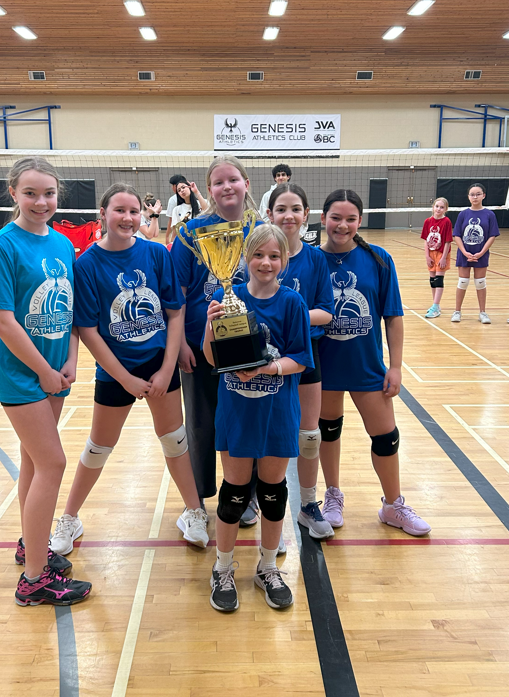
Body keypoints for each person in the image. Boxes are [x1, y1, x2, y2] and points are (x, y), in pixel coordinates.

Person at [50, 183, 208, 555]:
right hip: (115, 370)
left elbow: (174, 313)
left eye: (134, 211)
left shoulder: (155, 253)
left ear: (142, 214)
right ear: (103, 214)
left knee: (174, 440)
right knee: (98, 447)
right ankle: (69, 517)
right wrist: (124, 379)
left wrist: (166, 369)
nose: (127, 218)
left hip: (157, 365)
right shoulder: (86, 264)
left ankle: (194, 511)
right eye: (119, 210)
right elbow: (87, 329)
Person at [0, 157, 92, 606]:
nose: (41, 202)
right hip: (21, 375)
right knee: (53, 463)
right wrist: (44, 371)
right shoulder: (1, 246)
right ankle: (33, 580)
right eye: (31, 193)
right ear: (14, 193)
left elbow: (70, 313)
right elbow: (4, 321)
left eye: (48, 193)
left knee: (33, 462)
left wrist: (70, 360)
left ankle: (32, 544)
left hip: (55, 372)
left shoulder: (63, 244)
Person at [203, 223, 313, 612]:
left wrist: (268, 368)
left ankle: (268, 567)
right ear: (244, 259)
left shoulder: (292, 303)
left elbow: (301, 358)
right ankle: (222, 568)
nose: (266, 262)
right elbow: (212, 358)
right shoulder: (226, 298)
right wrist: (210, 326)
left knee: (272, 492)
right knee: (233, 494)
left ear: (285, 261)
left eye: (274, 256)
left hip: (277, 413)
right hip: (237, 411)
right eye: (259, 255)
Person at [318, 189, 431, 537]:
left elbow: (393, 317)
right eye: (336, 218)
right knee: (327, 432)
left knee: (386, 437)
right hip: (323, 366)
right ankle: (332, 496)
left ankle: (393, 505)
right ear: (323, 219)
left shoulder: (378, 259)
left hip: (366, 366)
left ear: (360, 221)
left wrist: (395, 367)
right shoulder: (311, 260)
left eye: (350, 219)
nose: (342, 225)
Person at [170, 155, 263, 516]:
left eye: (233, 180)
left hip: (247, 343)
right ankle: (198, 499)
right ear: (208, 189)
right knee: (202, 423)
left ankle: (246, 494)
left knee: (245, 419)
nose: (227, 187)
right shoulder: (190, 233)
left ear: (246, 184)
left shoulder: (259, 228)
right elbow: (177, 293)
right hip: (199, 342)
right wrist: (180, 343)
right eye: (219, 182)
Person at [266, 183, 335, 538]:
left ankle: (308, 505)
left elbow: (327, 311)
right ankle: (260, 505)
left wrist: (291, 316)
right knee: (265, 434)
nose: (288, 215)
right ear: (269, 214)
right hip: (265, 358)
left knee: (309, 436)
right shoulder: (260, 254)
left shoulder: (315, 259)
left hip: (306, 355)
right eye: (281, 209)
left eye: (295, 209)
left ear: (307, 214)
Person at [451, 183, 500, 324]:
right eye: (472, 194)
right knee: (463, 282)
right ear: (468, 197)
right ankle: (457, 311)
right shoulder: (463, 214)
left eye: (478, 194)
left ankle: (482, 313)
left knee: (480, 282)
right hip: (464, 253)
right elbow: (457, 235)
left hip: (481, 254)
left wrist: (481, 252)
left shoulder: (489, 214)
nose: (475, 197)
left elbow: (492, 235)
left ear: (483, 195)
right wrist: (465, 252)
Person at [422, 197, 452, 318]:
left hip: (441, 253)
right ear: (433, 207)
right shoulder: (428, 221)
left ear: (446, 209)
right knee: (432, 280)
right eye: (437, 206)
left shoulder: (446, 222)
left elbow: (448, 241)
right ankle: (436, 305)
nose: (439, 209)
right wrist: (427, 256)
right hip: (431, 253)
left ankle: (435, 306)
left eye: (442, 207)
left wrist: (444, 257)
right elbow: (425, 240)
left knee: (439, 279)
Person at [165, 174, 188, 245]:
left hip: (180, 233)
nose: (172, 188)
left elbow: (171, 220)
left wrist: (167, 236)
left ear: (175, 186)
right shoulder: (191, 196)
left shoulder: (173, 200)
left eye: (172, 185)